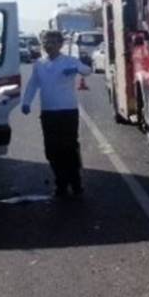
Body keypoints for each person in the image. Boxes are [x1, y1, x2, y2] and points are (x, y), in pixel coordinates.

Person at [21, 30, 92, 197]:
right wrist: (26, 102)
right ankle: (60, 183)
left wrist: (76, 68)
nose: (49, 45)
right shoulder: (39, 63)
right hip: (48, 112)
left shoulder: (69, 61)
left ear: (60, 44)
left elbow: (87, 70)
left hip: (67, 111)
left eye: (53, 42)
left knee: (69, 148)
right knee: (52, 150)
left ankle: (75, 184)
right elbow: (33, 84)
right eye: (46, 42)